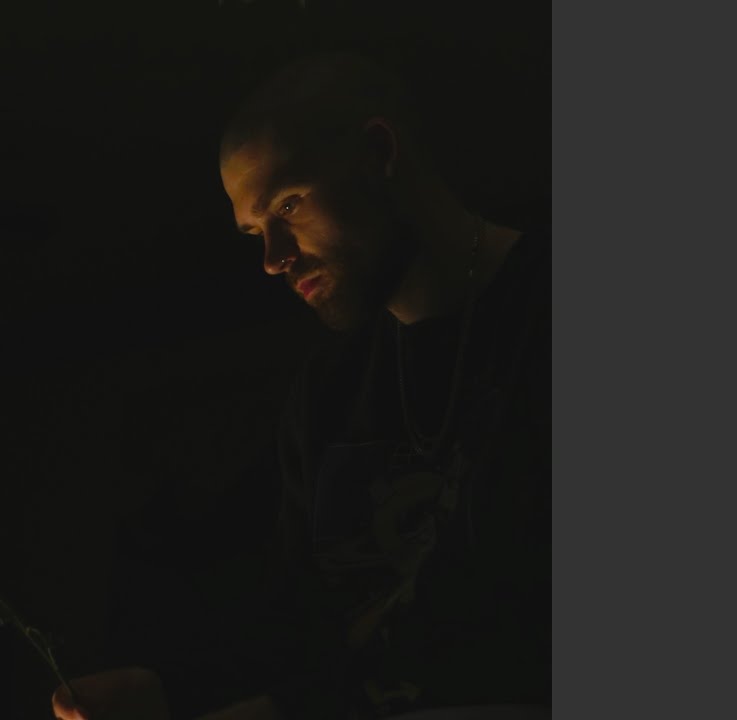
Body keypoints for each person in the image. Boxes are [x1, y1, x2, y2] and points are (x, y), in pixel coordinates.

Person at [53, 52, 550, 720]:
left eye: (288, 204)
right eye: (255, 232)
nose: (273, 258)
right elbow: (303, 639)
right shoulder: (327, 396)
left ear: (379, 153)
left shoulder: (547, 310)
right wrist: (164, 691)